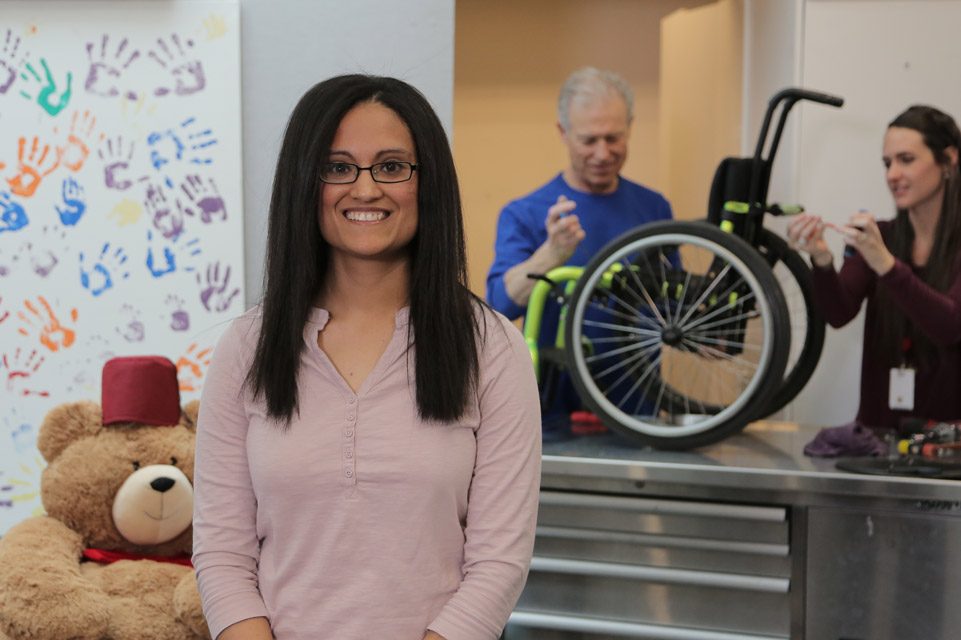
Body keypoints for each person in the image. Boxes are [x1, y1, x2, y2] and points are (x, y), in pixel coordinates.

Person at [192, 74, 542, 640]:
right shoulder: (247, 347)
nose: (365, 188)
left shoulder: (492, 346)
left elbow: (499, 563)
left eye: (391, 166)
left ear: (425, 182)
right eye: (337, 167)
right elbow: (221, 552)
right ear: (306, 183)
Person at [486, 67, 673, 436]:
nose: (602, 153)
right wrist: (550, 255)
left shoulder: (655, 208)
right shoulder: (524, 213)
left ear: (630, 127)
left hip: (639, 412)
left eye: (613, 137)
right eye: (589, 140)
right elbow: (498, 308)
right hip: (551, 417)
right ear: (563, 133)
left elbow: (671, 305)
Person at [787, 104, 961, 433]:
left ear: (949, 160)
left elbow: (949, 325)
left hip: (947, 448)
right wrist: (822, 261)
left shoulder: (880, 248)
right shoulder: (880, 236)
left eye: (906, 160)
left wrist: (886, 264)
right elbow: (838, 313)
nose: (892, 174)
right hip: (877, 439)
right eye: (887, 163)